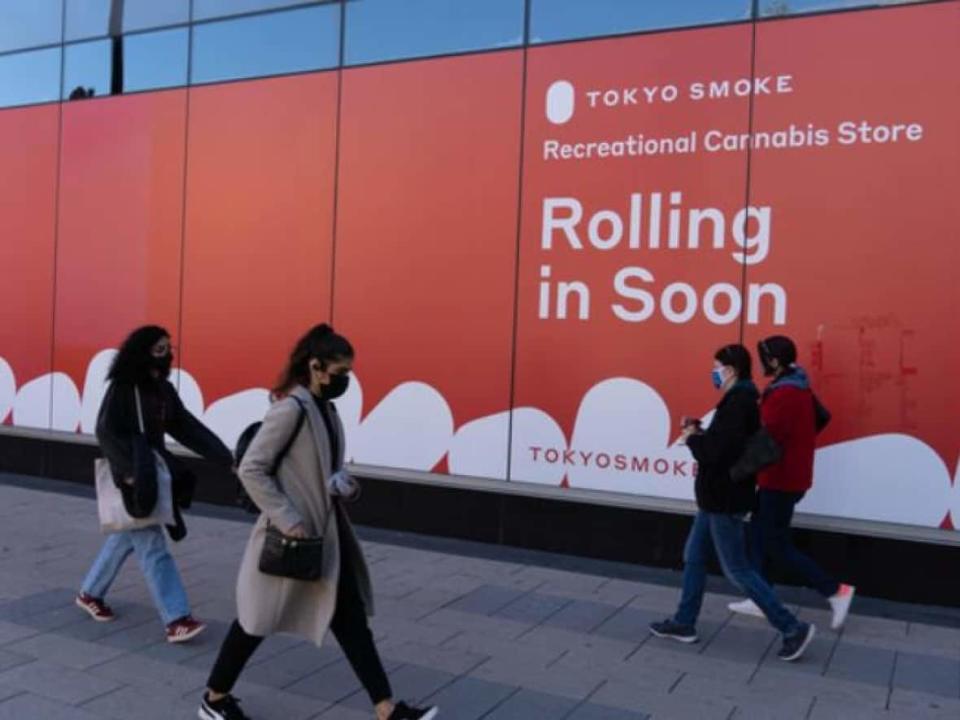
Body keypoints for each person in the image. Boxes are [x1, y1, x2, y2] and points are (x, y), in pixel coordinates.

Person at [199, 324, 437, 720]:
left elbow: (320, 469)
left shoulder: (325, 409)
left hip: (324, 535)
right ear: (315, 366)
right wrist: (289, 518)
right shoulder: (291, 409)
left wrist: (343, 485)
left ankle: (387, 709)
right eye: (341, 372)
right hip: (292, 536)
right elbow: (252, 469)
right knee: (254, 621)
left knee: (350, 620)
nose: (346, 380)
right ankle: (214, 698)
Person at [649, 344, 816, 662]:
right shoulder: (741, 400)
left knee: (738, 569)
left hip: (724, 498)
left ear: (730, 370)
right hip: (717, 496)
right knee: (694, 557)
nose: (713, 372)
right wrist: (703, 433)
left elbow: (717, 453)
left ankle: (792, 627)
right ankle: (684, 622)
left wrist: (692, 438)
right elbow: (727, 444)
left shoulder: (738, 403)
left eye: (716, 366)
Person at [77, 325, 234, 642]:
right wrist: (129, 472)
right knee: (151, 545)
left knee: (127, 535)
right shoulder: (124, 388)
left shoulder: (161, 389)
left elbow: (186, 426)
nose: (166, 353)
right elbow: (106, 431)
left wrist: (225, 457)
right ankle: (177, 618)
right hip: (135, 478)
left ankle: (90, 593)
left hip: (151, 474)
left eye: (168, 347)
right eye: (159, 348)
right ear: (142, 351)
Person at [727, 336, 855, 629]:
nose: (760, 364)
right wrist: (799, 444)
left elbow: (764, 440)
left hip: (780, 479)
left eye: (763, 359)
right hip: (790, 476)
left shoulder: (784, 393)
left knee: (776, 543)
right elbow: (821, 417)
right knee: (758, 534)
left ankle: (834, 590)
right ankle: (761, 597)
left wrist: (736, 472)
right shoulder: (799, 384)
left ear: (774, 361)